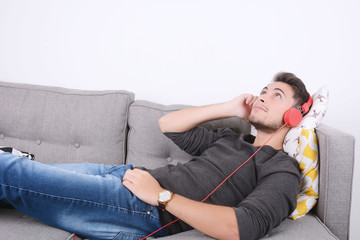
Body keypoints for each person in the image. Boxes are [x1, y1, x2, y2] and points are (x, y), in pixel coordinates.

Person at [0, 72, 308, 240]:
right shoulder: (233, 138)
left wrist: (160, 196)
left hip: (143, 208)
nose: (263, 96)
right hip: (124, 174)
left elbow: (242, 227)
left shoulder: (283, 170)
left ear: (294, 116)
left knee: (9, 170)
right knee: (15, 178)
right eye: (263, 90)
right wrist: (229, 108)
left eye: (276, 95)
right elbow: (169, 126)